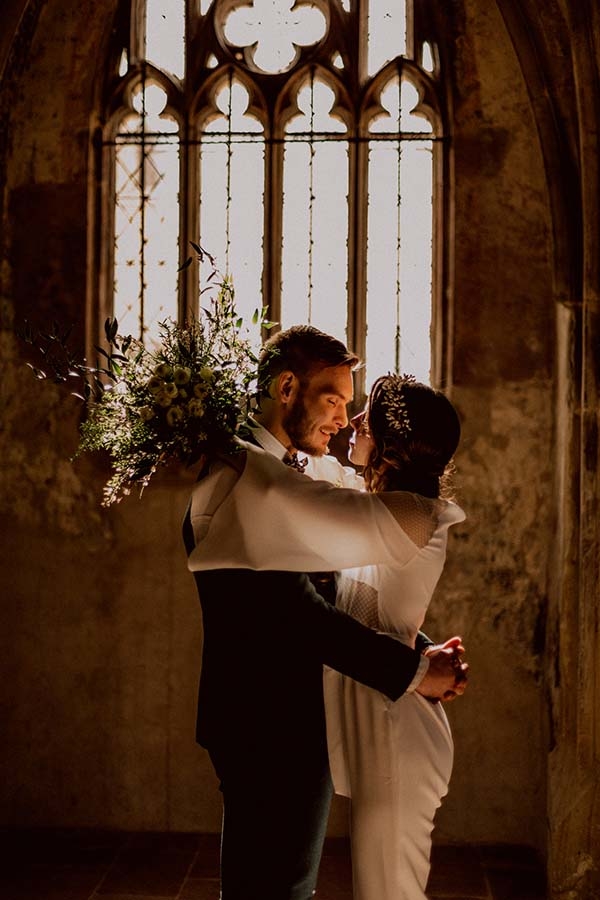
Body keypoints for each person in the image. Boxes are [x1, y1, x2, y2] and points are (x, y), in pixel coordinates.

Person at [182, 325, 467, 900]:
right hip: (267, 727)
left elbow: (355, 598)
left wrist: (417, 651)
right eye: (334, 400)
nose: (343, 420)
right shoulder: (242, 480)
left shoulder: (281, 476)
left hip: (301, 725)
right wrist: (415, 669)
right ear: (287, 387)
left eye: (352, 409)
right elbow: (295, 615)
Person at [323, 375, 465, 899]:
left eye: (366, 417)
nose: (353, 422)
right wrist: (424, 650)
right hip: (387, 711)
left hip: (397, 726)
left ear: (392, 444)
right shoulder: (391, 507)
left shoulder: (407, 512)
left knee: (388, 893)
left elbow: (310, 514)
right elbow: (364, 607)